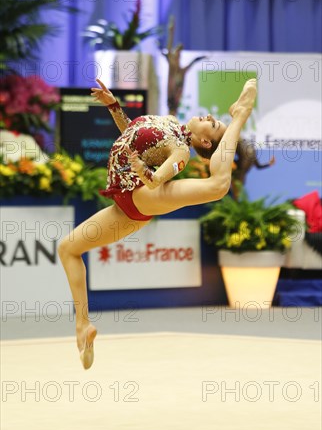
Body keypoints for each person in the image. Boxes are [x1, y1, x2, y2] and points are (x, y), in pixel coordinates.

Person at [58, 77, 257, 369]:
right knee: (67, 248)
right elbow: (131, 134)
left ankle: (240, 115)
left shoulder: (181, 150)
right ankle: (82, 326)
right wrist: (113, 106)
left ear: (204, 142)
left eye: (214, 126)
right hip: (124, 205)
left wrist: (148, 174)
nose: (211, 117)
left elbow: (158, 179)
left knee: (218, 186)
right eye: (216, 120)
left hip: (141, 195)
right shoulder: (167, 121)